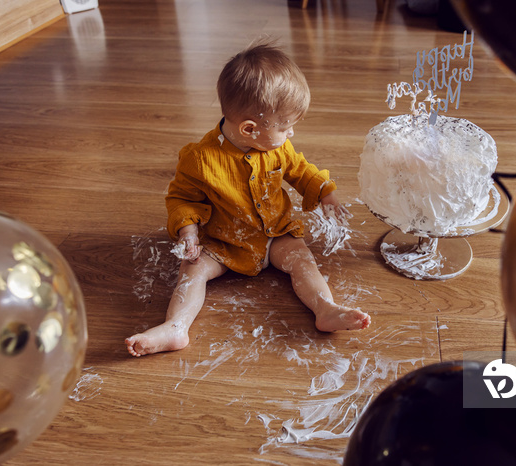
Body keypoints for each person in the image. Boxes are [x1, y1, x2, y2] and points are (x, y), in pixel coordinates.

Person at [126, 41, 371, 357]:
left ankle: (325, 308)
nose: (290, 135)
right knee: (193, 269)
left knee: (302, 260)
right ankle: (175, 327)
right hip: (225, 242)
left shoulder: (277, 147)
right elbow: (181, 199)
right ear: (250, 129)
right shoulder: (199, 159)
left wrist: (327, 194)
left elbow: (302, 171)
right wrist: (188, 232)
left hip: (275, 235)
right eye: (286, 127)